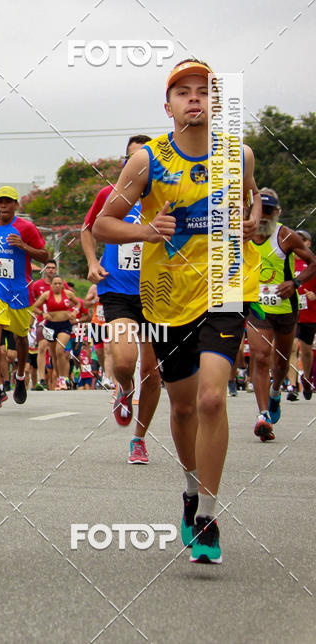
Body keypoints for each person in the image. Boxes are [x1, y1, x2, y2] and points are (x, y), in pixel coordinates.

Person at [94, 59, 262, 564]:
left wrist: (252, 221)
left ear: (216, 103)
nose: (195, 99)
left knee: (213, 398)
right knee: (184, 406)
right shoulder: (147, 162)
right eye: (183, 92)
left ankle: (208, 514)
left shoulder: (240, 156)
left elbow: (252, 201)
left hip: (226, 284)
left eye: (205, 91)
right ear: (167, 106)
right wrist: (147, 231)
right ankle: (191, 491)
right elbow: (104, 225)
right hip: (167, 296)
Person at [81, 134, 161, 465]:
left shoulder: (167, 195)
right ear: (125, 162)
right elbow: (87, 230)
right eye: (131, 158)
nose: (136, 164)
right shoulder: (110, 195)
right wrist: (92, 263)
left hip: (159, 291)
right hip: (118, 291)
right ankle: (124, 389)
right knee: (125, 363)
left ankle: (139, 439)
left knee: (153, 374)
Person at [247, 191, 316, 438]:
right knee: (260, 356)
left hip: (286, 308)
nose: (263, 216)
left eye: (269, 211)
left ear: (277, 213)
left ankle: (276, 391)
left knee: (280, 360)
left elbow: (313, 262)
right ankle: (263, 415)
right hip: (258, 308)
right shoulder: (243, 232)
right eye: (260, 210)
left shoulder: (285, 235)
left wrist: (295, 284)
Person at [0, 187, 48, 408]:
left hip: (20, 291)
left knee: (20, 339)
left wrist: (23, 246)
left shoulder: (25, 227)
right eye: (0, 202)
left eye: (8, 202)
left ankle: (19, 377)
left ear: (16, 205)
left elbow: (45, 255)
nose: (3, 206)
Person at [293, 230, 316, 400]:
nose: (300, 242)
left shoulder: (313, 263)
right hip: (289, 312)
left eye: (303, 240)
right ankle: (293, 386)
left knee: (306, 352)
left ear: (308, 243)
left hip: (310, 315)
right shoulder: (284, 260)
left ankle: (306, 378)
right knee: (291, 348)